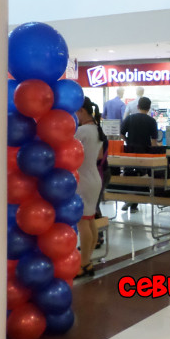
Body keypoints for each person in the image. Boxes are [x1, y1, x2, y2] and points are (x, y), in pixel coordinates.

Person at [74, 97, 108, 278]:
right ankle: (88, 261)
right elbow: (99, 156)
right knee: (89, 220)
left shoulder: (82, 131)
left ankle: (84, 262)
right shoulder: (97, 129)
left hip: (84, 179)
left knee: (83, 222)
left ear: (81, 111)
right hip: (94, 177)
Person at [119, 96, 159, 212]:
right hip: (144, 153)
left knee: (129, 174)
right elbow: (154, 141)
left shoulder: (130, 118)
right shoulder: (151, 121)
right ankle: (135, 204)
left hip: (130, 152)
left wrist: (128, 141)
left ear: (137, 106)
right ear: (149, 108)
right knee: (142, 177)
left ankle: (128, 199)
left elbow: (121, 134)